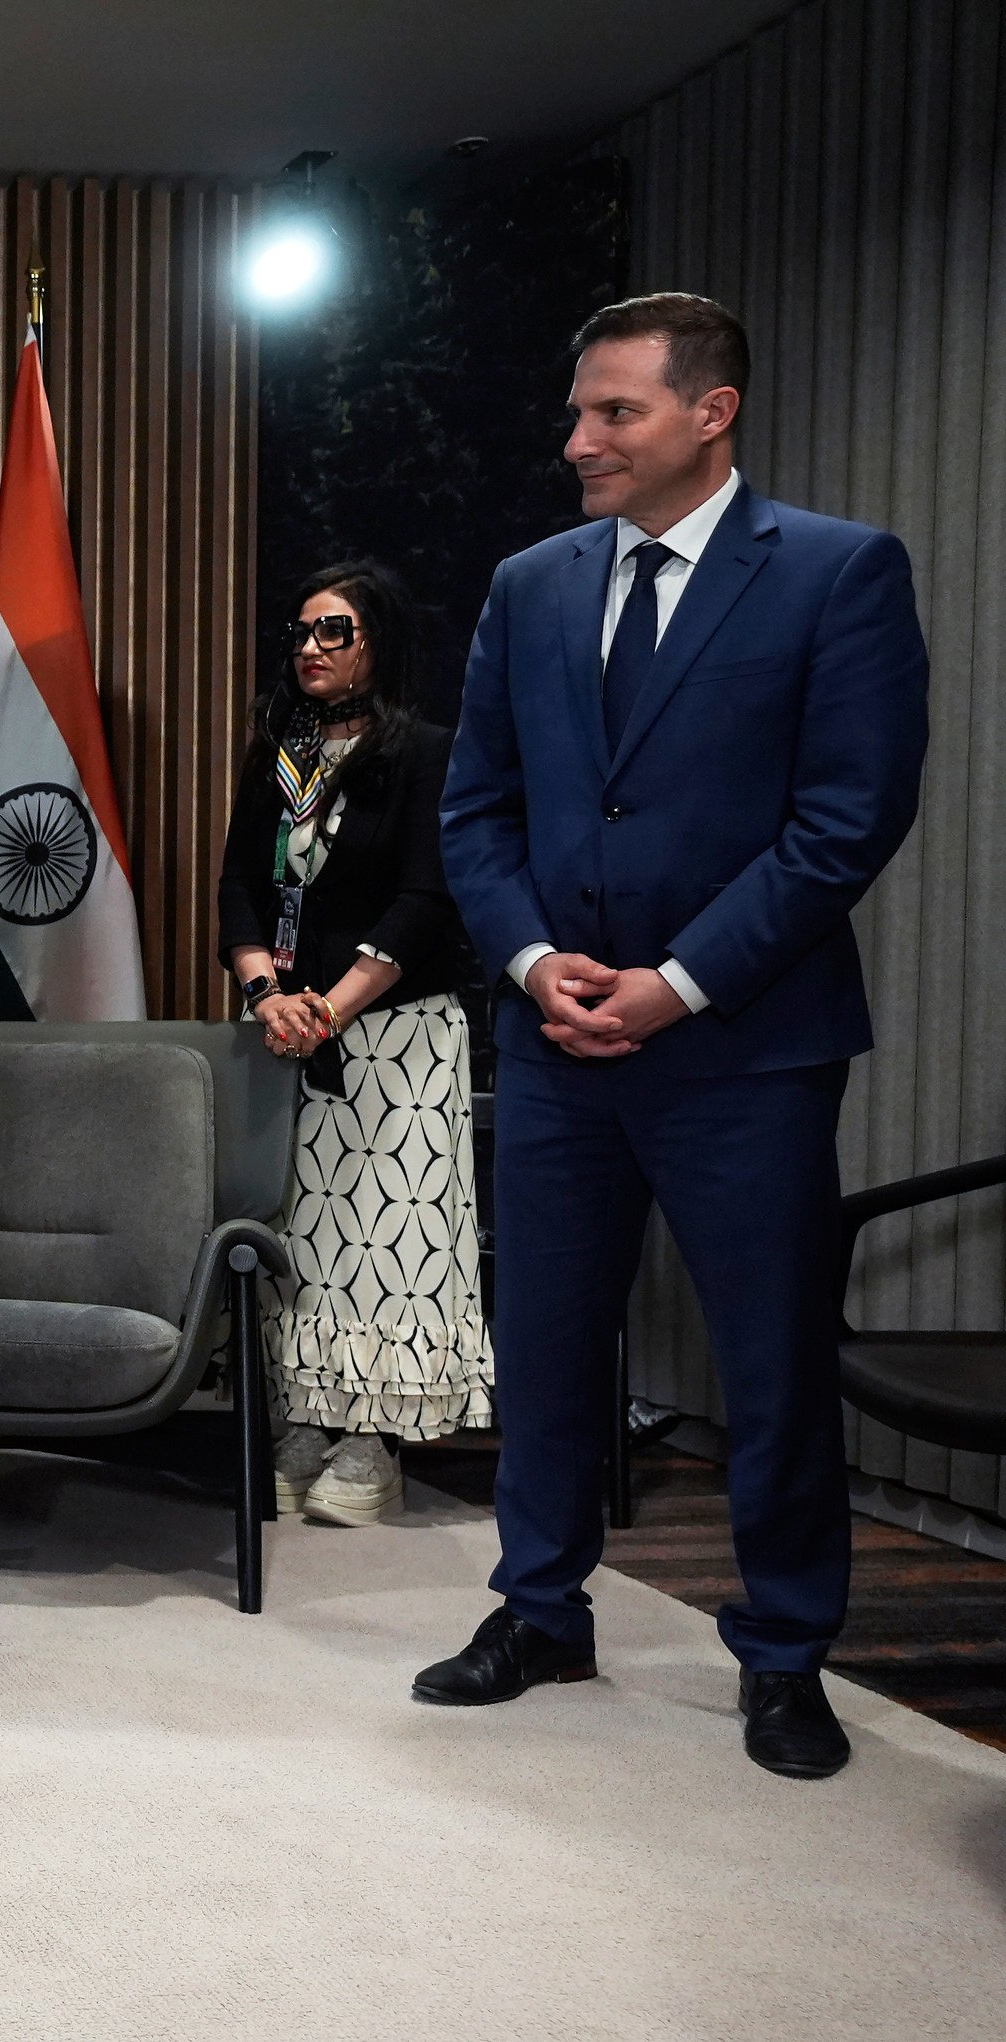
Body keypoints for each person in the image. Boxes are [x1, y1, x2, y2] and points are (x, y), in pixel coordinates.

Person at [432, 293, 927, 1779]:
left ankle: (784, 1655)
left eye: (614, 413)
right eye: (579, 412)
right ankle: (541, 1607)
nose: (578, 439)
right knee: (550, 1345)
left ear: (711, 412)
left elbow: (849, 817)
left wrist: (678, 981)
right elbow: (478, 807)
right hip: (554, 1038)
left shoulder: (838, 573)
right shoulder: (529, 583)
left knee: (768, 1361)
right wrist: (530, 961)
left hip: (745, 1050)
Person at [217, 560, 491, 1527]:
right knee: (295, 1232)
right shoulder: (278, 754)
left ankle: (371, 1441)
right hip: (283, 1032)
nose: (309, 650)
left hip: (395, 1033)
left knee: (382, 1237)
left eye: (334, 632)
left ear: (381, 642)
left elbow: (426, 900)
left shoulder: (431, 754)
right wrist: (266, 992)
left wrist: (330, 1004)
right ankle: (301, 1421)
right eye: (299, 633)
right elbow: (240, 888)